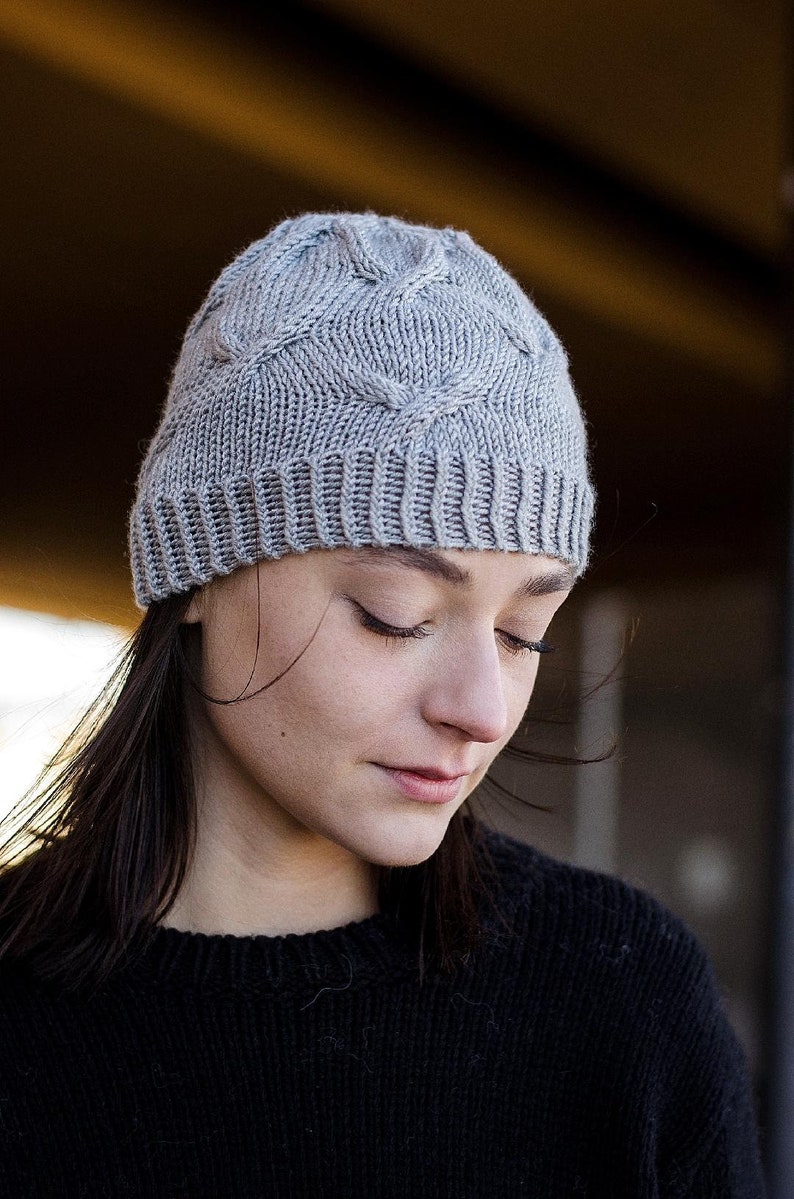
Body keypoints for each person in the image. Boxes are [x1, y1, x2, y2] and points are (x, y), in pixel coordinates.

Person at [0, 212, 764, 1196]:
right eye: (393, 613)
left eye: (523, 630)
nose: (483, 709)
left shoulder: (618, 993)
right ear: (198, 573)